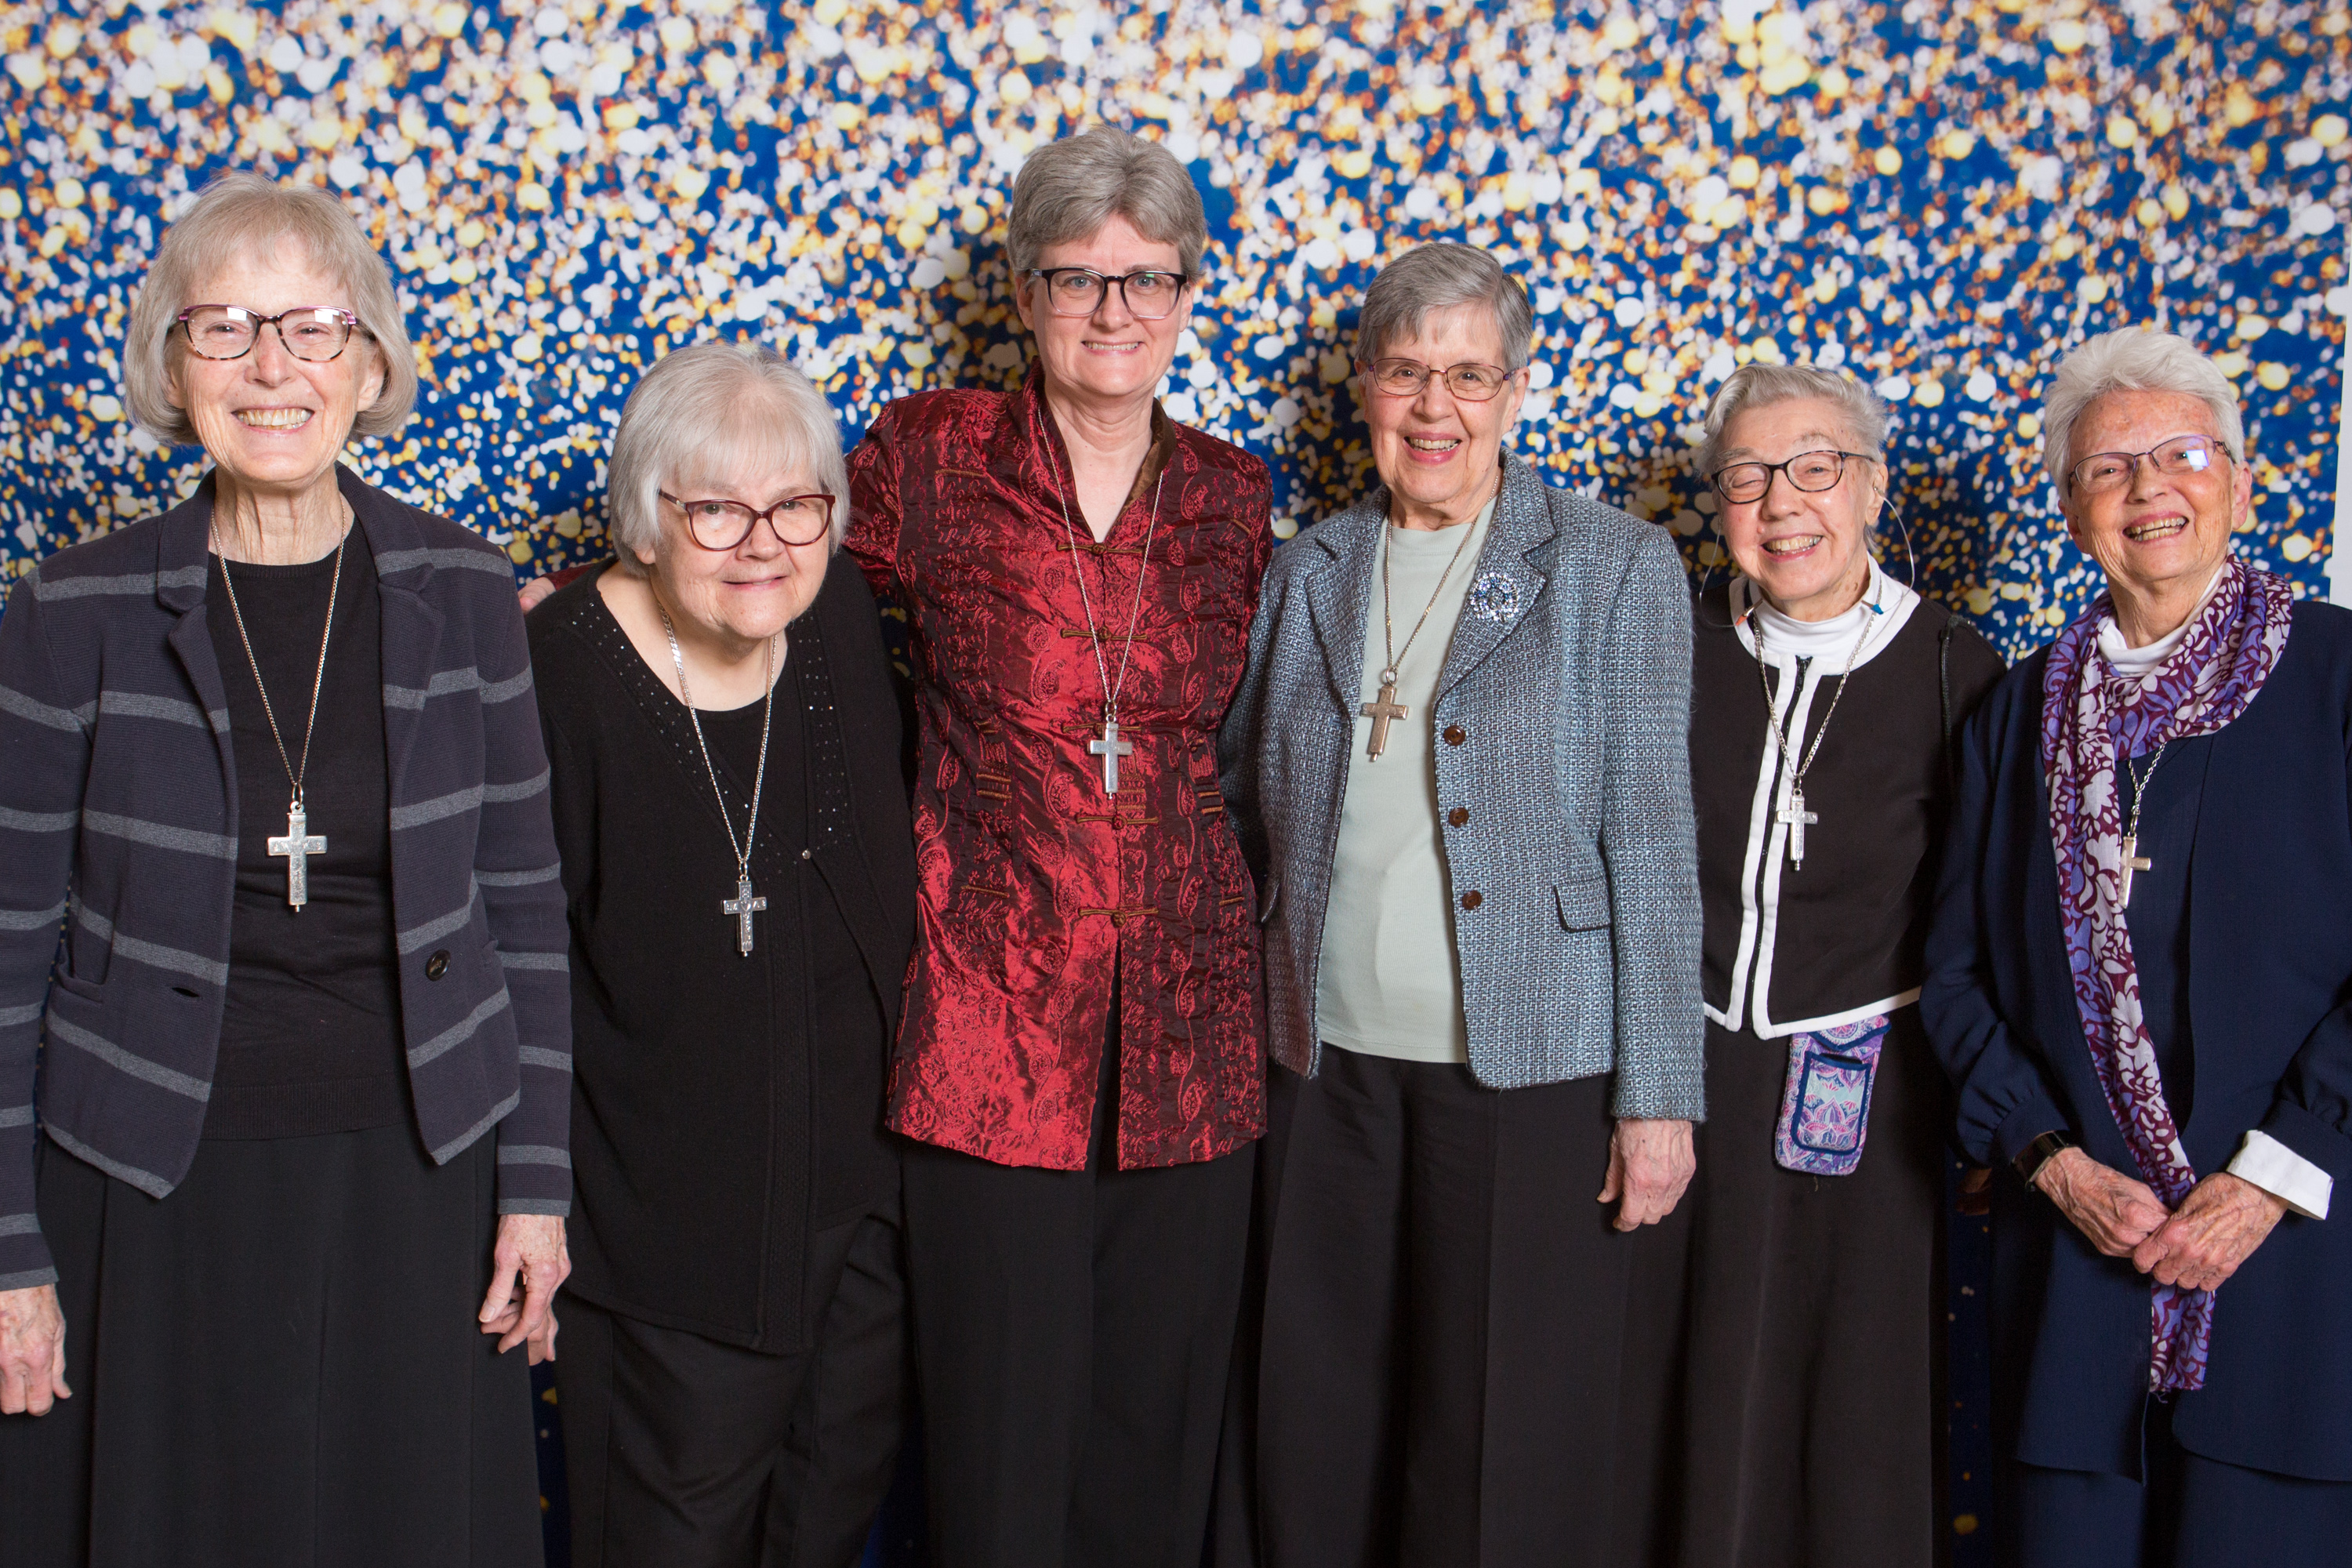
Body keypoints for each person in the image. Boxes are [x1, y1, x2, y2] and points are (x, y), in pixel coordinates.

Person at [0, 171, 569, 1564]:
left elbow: (527, 911)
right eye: (226, 329)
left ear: (366, 362)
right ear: (170, 363)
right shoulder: (67, 609)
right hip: (145, 1177)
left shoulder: (466, 592)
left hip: (424, 1167)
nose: (272, 369)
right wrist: (9, 1251)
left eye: (313, 328)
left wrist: (538, 1189)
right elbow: (5, 948)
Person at [1212, 240, 1704, 1568]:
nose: (1436, 408)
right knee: (1315, 1422)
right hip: (1317, 1069)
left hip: (1529, 1073)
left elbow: (1655, 841)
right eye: (1408, 372)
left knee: (1496, 1440)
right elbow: (1237, 794)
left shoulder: (1611, 567)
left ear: (1516, 388)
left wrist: (1661, 1097)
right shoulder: (1307, 568)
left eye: (1469, 375)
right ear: (1362, 387)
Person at [844, 126, 1272, 1568]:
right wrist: (598, 597)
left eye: (1148, 281)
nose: (1114, 314)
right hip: (988, 1027)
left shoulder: (1234, 498)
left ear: (1188, 295)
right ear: (1025, 293)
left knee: (1156, 1440)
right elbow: (759, 570)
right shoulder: (928, 455)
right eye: (1080, 278)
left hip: (1194, 1040)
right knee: (997, 1453)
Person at [1922, 327, 2352, 1566]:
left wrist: (2273, 1174)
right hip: (2075, 1282)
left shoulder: (2334, 674)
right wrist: (2049, 1161)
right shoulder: (2014, 713)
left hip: (2298, 1282)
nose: (2149, 488)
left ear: (2241, 480)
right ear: (2068, 507)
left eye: (2181, 454)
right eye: (2109, 469)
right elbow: (1953, 980)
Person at [527, 345, 916, 1566]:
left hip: (859, 1223)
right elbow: (518, 962)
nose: (765, 544)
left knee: (822, 1532)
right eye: (716, 509)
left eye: (797, 505)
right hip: (665, 1249)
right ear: (646, 520)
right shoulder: (558, 669)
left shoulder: (840, 609)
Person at [1614, 365, 2004, 1568]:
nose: (1782, 503)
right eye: (1746, 477)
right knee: (1667, 1394)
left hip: (1872, 1102)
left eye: (1815, 467)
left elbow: (1985, 925)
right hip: (1683, 1083)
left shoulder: (1960, 671)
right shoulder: (1666, 647)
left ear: (1871, 486)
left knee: (1844, 1414)